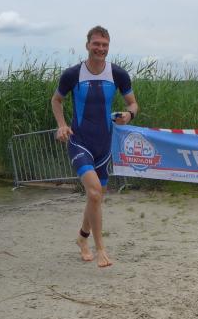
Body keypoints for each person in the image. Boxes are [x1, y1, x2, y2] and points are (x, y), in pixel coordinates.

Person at [51, 26, 138, 268]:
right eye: (96, 44)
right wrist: (62, 125)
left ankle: (82, 237)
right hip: (79, 142)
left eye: (104, 45)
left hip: (104, 145)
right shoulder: (72, 74)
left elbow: (133, 104)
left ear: (108, 47)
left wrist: (129, 115)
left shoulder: (118, 74)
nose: (100, 48)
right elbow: (56, 100)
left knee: (96, 197)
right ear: (87, 45)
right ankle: (101, 249)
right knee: (94, 192)